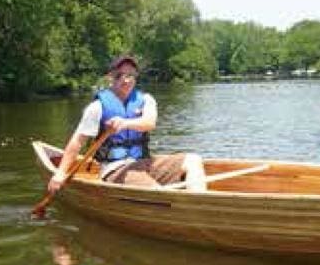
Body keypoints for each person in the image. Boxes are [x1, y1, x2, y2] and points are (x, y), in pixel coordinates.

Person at [47, 55, 206, 194]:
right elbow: (78, 141)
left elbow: (149, 123)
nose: (126, 79)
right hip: (115, 170)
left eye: (130, 75)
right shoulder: (97, 107)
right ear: (111, 77)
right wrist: (60, 173)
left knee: (193, 160)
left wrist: (125, 123)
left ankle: (201, 204)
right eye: (120, 75)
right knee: (155, 192)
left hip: (143, 163)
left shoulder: (146, 100)